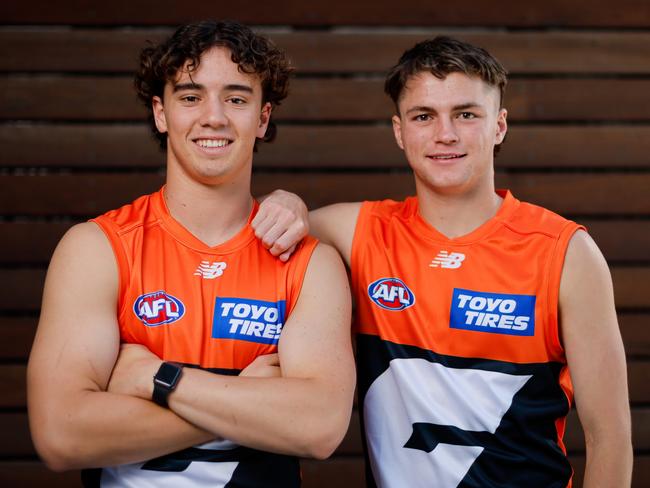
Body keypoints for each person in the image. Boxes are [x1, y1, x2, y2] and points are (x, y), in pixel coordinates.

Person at [256, 36, 632, 487]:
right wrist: (287, 201)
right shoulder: (359, 233)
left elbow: (609, 436)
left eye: (466, 114)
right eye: (424, 116)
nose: (445, 134)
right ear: (400, 132)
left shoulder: (565, 251)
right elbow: (270, 227)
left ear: (499, 125)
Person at [27, 20, 355, 487]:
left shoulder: (308, 262)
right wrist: (246, 401)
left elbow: (318, 427)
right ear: (161, 113)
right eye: (190, 96)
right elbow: (61, 435)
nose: (214, 117)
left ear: (263, 118)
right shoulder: (98, 248)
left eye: (237, 99)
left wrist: (158, 379)